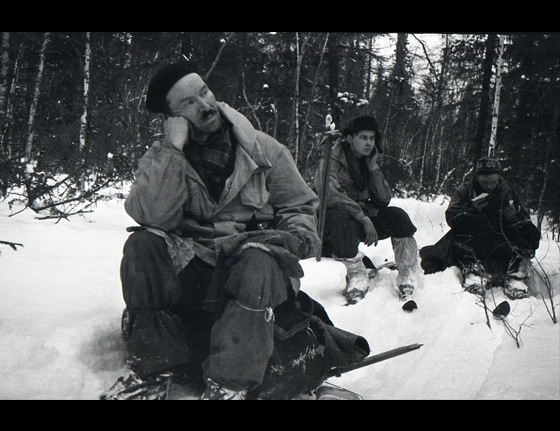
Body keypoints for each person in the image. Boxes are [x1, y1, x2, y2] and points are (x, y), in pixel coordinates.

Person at [101, 62, 369, 400]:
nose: (205, 105)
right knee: (141, 245)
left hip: (256, 276)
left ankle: (228, 386)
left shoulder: (264, 150)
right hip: (196, 273)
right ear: (171, 118)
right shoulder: (163, 157)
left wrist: (287, 240)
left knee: (258, 260)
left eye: (204, 92)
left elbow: (301, 208)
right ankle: (160, 373)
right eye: (189, 103)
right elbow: (150, 215)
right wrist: (172, 151)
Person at [314, 116, 419, 304]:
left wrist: (372, 168)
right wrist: (361, 217)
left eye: (371, 139)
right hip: (335, 228)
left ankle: (407, 275)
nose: (368, 143)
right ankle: (356, 274)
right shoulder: (331, 161)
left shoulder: (367, 161)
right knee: (339, 218)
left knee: (398, 216)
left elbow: (384, 199)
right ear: (349, 138)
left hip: (360, 221)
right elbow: (330, 196)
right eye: (363, 138)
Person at [420, 157, 541, 299]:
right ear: (477, 178)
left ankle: (517, 275)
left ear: (499, 178)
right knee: (460, 231)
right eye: (485, 182)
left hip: (503, 236)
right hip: (475, 235)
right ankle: (473, 271)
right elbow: (451, 217)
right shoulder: (465, 191)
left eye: (493, 182)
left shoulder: (508, 192)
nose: (489, 186)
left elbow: (526, 221)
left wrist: (514, 217)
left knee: (530, 234)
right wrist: (471, 210)